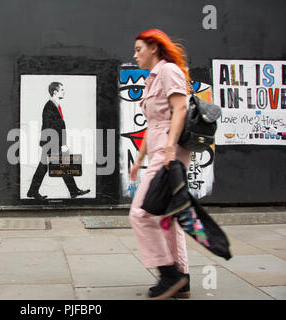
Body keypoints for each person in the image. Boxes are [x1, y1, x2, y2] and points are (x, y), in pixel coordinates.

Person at [128, 29, 192, 300]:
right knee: (167, 218)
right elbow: (153, 124)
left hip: (170, 150)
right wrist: (139, 160)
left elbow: (180, 109)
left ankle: (169, 274)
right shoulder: (152, 79)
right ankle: (182, 280)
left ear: (154, 47)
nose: (135, 55)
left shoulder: (168, 71)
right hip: (158, 150)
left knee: (140, 214)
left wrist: (168, 150)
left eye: (139, 49)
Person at [27, 82, 90, 200]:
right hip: (51, 143)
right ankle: (73, 191)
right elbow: (52, 128)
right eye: (62, 90)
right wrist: (61, 145)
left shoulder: (54, 106)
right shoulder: (49, 107)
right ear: (55, 92)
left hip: (51, 143)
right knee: (58, 165)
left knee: (53, 166)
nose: (64, 92)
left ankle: (33, 191)